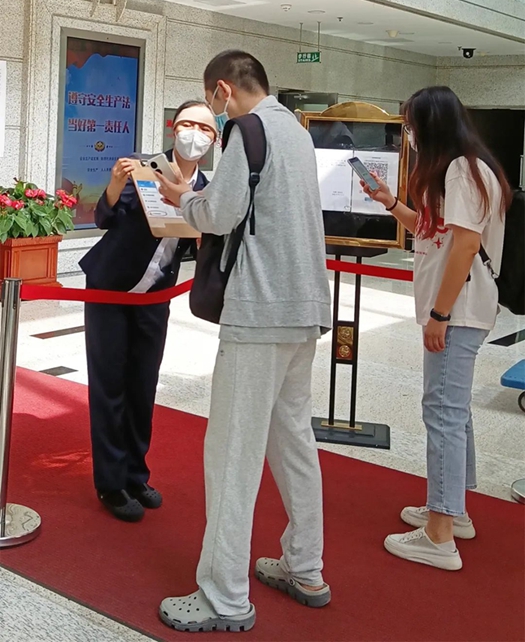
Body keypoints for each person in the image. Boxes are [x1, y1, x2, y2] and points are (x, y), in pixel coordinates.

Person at [156, 50, 332, 633]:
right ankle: (305, 566)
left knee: (232, 454)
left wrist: (183, 197)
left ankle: (224, 596)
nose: (212, 110)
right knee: (293, 443)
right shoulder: (296, 131)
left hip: (259, 311)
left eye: (211, 98)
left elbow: (221, 214)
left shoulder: (245, 129)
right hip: (303, 307)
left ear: (223, 90)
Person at [362, 86, 511, 571]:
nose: (408, 134)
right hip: (458, 309)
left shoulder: (462, 171)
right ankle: (453, 510)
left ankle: (440, 534)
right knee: (453, 409)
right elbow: (433, 233)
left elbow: (466, 246)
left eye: (410, 125)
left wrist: (440, 315)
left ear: (430, 125)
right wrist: (390, 202)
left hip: (458, 311)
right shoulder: (460, 170)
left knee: (442, 412)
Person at [79, 101, 217, 522]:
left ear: (214, 139)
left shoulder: (210, 189)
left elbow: (205, 245)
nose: (194, 134)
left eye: (204, 129)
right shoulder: (144, 168)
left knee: (143, 385)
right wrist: (114, 185)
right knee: (109, 386)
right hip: (109, 290)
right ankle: (110, 483)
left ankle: (135, 474)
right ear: (174, 128)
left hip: (156, 295)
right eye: (187, 124)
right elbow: (104, 218)